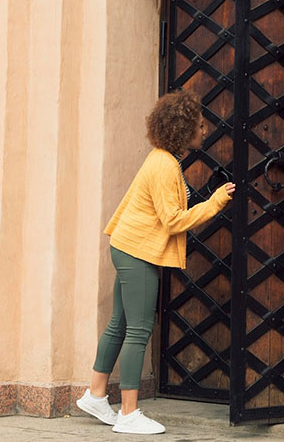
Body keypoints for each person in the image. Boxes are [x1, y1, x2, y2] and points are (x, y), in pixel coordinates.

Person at [75, 90, 236, 435]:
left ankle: (96, 394)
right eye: (199, 125)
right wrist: (215, 202)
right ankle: (129, 413)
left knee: (119, 324)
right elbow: (173, 220)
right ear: (183, 128)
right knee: (137, 330)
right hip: (138, 252)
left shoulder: (162, 159)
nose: (204, 130)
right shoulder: (164, 164)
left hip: (128, 246)